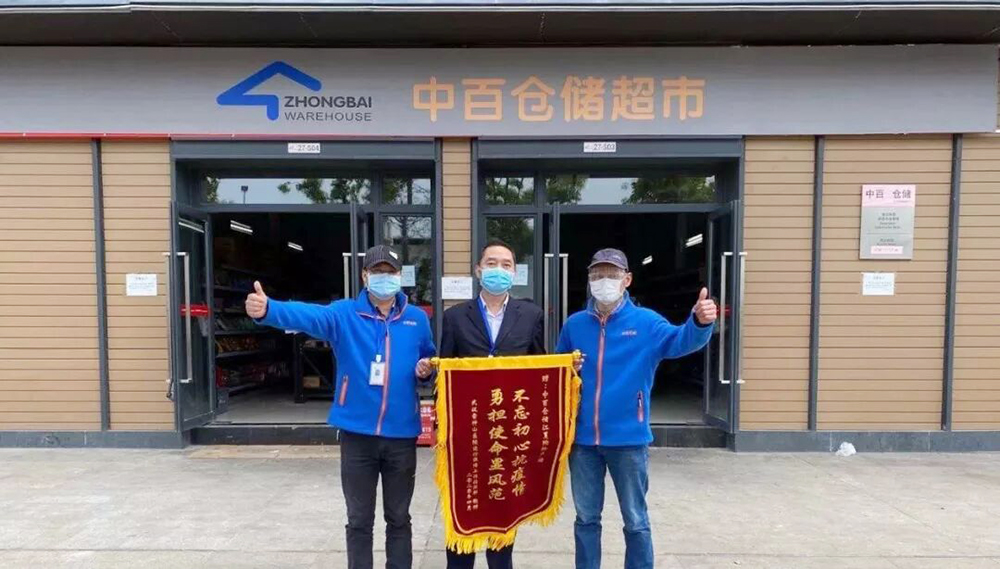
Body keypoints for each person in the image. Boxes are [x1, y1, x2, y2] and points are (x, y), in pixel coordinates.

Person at [245, 244, 436, 569]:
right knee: (359, 519)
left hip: (402, 435)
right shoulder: (344, 314)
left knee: (399, 518)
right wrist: (268, 310)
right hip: (357, 435)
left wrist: (426, 370)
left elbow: (428, 358)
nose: (385, 277)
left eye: (390, 272)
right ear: (364, 276)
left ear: (400, 276)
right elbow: (308, 315)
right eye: (377, 271)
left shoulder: (417, 319)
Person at [555, 248, 717, 569]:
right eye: (597, 274)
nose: (604, 281)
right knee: (586, 518)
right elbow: (558, 368)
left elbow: (680, 341)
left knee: (635, 519)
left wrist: (699, 322)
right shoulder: (575, 325)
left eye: (612, 274)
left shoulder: (646, 323)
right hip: (583, 442)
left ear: (627, 279)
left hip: (628, 440)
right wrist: (568, 368)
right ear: (589, 280)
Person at [431, 239, 545, 569]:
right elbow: (444, 373)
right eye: (491, 263)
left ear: (515, 272)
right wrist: (441, 425)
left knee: (502, 510)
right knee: (463, 506)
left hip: (509, 431)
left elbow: (540, 369)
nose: (498, 270)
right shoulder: (454, 317)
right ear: (478, 270)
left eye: (506, 265)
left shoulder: (531, 315)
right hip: (465, 431)